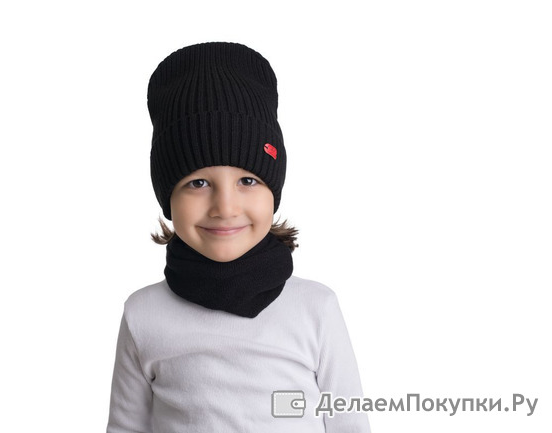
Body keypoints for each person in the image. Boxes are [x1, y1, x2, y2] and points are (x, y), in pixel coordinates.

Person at [106, 41, 371, 433]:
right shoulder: (143, 315)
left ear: (273, 192)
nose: (225, 207)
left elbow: (350, 425)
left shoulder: (315, 309)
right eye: (198, 183)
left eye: (248, 180)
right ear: (168, 197)